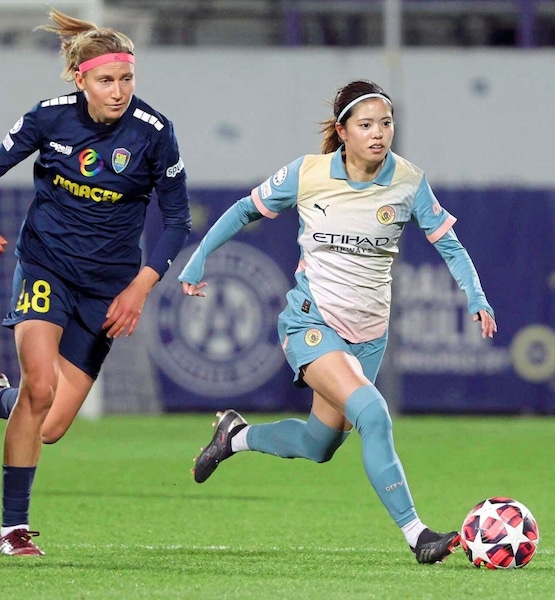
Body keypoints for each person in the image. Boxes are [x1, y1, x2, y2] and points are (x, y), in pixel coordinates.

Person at [178, 79, 497, 564]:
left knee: (317, 444)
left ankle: (234, 436)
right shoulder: (307, 174)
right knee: (374, 414)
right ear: (343, 131)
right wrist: (199, 258)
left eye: (386, 123)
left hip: (368, 336)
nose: (378, 134)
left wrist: (476, 295)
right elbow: (246, 210)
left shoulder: (409, 180)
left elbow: (448, 243)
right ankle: (418, 535)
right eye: (366, 124)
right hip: (311, 322)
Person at [0, 8, 191, 556]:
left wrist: (139, 288)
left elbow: (177, 220)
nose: (119, 90)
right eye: (107, 80)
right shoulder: (48, 118)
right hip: (46, 266)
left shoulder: (155, 133)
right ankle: (13, 529)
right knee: (39, 389)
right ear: (80, 79)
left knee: (53, 424)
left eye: (126, 78)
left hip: (107, 286)